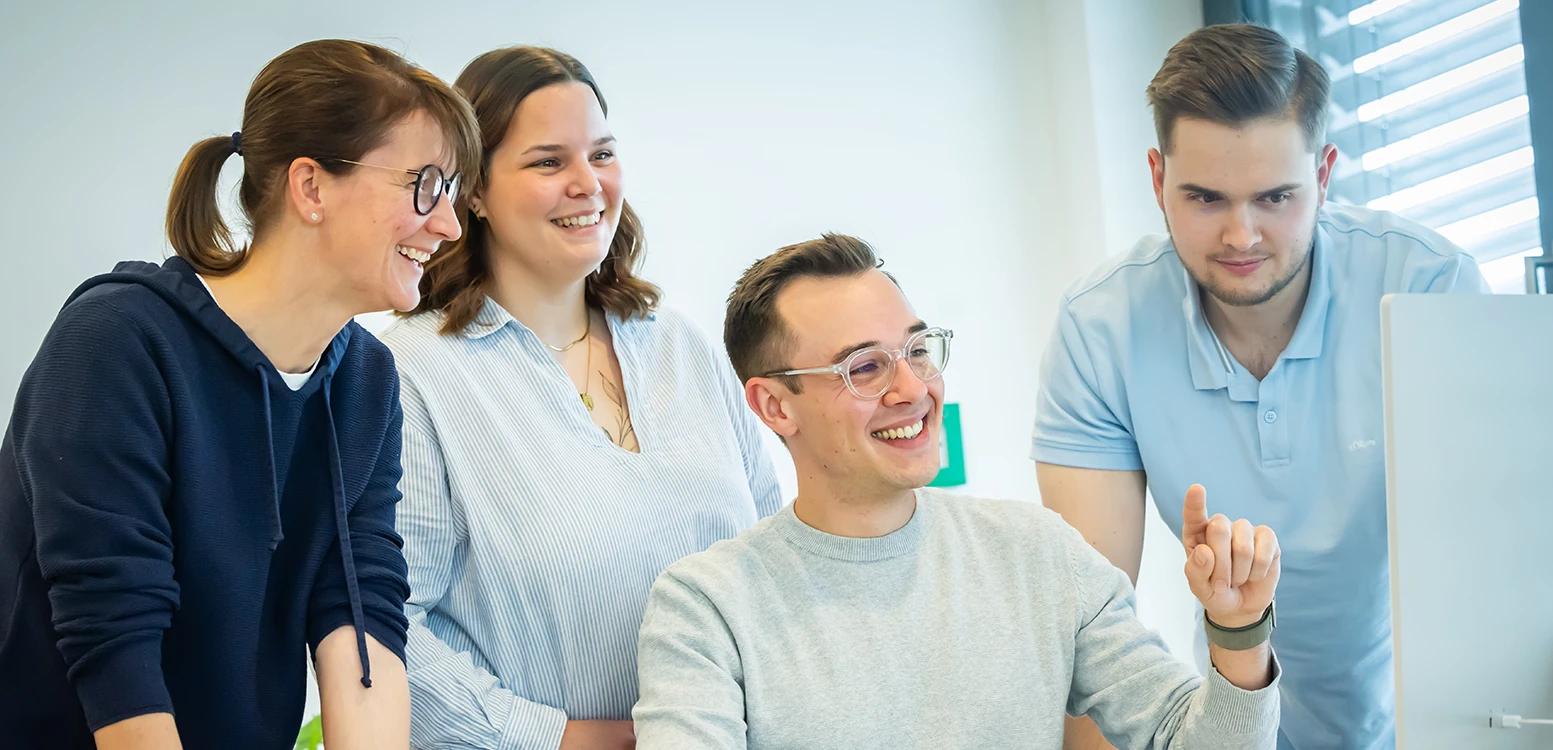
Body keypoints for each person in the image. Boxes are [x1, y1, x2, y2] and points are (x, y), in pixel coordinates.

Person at [0, 39, 479, 749]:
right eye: (424, 184)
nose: (448, 225)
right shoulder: (117, 340)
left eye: (452, 192)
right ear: (311, 187)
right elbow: (114, 641)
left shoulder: (365, 381)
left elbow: (362, 615)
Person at [633, 234, 1284, 749]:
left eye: (917, 350)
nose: (913, 389)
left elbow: (1185, 738)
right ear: (775, 406)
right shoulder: (706, 607)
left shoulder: (1039, 555)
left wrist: (1238, 631)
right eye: (865, 367)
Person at [1032, 24, 1489, 750]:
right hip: (1237, 725)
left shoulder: (1429, 288)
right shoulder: (1100, 328)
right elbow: (1094, 635)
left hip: (1438, 725)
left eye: (1275, 197)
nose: (1241, 236)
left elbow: (1496, 572)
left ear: (1325, 175)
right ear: (1157, 180)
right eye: (1205, 198)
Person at [381, 46, 782, 750]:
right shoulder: (412, 374)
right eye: (548, 162)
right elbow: (385, 626)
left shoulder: (680, 344)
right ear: (473, 192)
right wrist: (560, 738)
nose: (587, 184)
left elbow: (773, 554)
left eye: (601, 154)